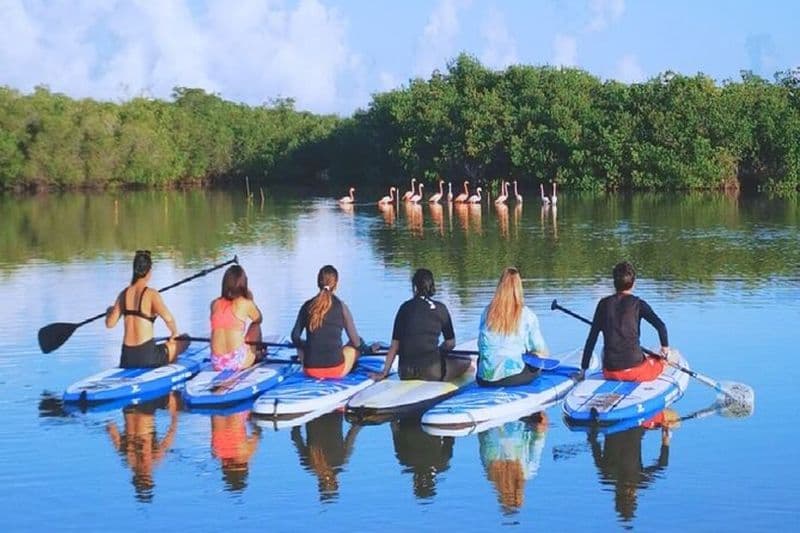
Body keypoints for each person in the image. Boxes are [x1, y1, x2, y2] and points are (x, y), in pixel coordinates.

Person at [577, 261, 671, 382]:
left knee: (603, 351)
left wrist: (583, 370)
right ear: (634, 283)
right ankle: (662, 363)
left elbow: (592, 339)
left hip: (610, 372)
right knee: (662, 361)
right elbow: (661, 326)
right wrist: (665, 348)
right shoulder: (638, 304)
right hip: (635, 370)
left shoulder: (603, 304)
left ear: (614, 283)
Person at [371, 268, 470, 381]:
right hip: (432, 372)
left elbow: (395, 346)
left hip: (405, 372)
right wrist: (440, 351)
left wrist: (384, 372)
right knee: (467, 361)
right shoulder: (441, 308)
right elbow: (450, 343)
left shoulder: (404, 308)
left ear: (414, 288)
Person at [105, 250, 189, 368]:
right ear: (149, 271)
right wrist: (174, 334)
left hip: (127, 358)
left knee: (160, 345)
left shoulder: (123, 294)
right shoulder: (151, 294)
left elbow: (109, 324)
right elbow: (168, 319)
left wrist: (109, 311)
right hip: (147, 357)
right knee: (185, 339)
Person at [291, 265, 374, 379]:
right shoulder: (341, 306)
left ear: (318, 283)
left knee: (299, 347)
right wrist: (369, 349)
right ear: (336, 284)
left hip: (310, 370)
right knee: (355, 344)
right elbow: (356, 342)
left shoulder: (306, 306)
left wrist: (306, 345)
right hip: (335, 370)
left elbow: (295, 337)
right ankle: (350, 367)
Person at [476, 267, 549, 387]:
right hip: (513, 377)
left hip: (483, 379)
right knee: (537, 363)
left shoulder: (486, 312)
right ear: (519, 288)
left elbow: (481, 346)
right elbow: (541, 350)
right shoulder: (526, 314)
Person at [105, 391, 180, 503]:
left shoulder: (128, 457)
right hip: (140, 409)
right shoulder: (144, 458)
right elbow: (110, 427)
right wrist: (174, 411)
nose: (145, 474)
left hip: (135, 409)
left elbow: (110, 427)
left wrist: (174, 413)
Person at [479, 413, 549, 514]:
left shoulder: (528, 471)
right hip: (497, 420)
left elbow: (540, 433)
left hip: (514, 420)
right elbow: (482, 439)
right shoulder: (490, 474)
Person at [291, 411, 362, 502]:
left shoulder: (341, 461)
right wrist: (300, 416)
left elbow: (353, 431)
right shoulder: (309, 465)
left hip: (335, 410)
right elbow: (295, 435)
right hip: (312, 413)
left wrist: (361, 419)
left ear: (336, 482)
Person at [210, 265, 263, 371]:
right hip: (236, 363)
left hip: (216, 363)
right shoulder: (244, 303)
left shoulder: (214, 303)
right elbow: (259, 319)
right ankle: (259, 353)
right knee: (255, 326)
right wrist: (250, 299)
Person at [211, 411, 261, 492]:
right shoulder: (215, 454)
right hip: (215, 409)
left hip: (237, 410)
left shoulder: (245, 454)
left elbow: (257, 434)